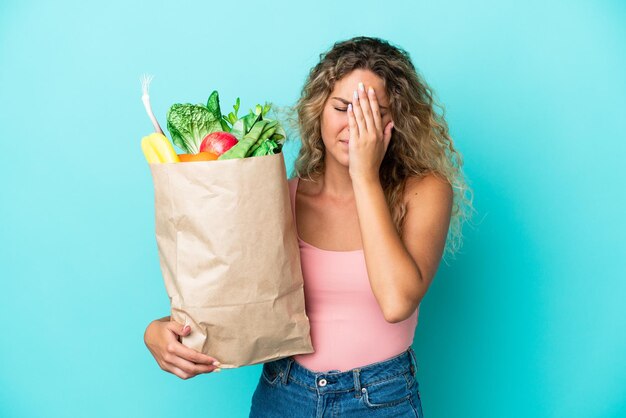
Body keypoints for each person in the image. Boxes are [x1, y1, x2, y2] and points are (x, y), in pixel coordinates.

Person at [144, 36, 474, 417]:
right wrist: (158, 330)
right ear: (318, 110)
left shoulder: (425, 192)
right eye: (342, 107)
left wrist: (364, 176)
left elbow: (397, 302)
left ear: (394, 122)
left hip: (380, 400)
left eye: (373, 110)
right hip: (285, 393)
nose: (355, 123)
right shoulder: (279, 198)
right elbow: (228, 298)